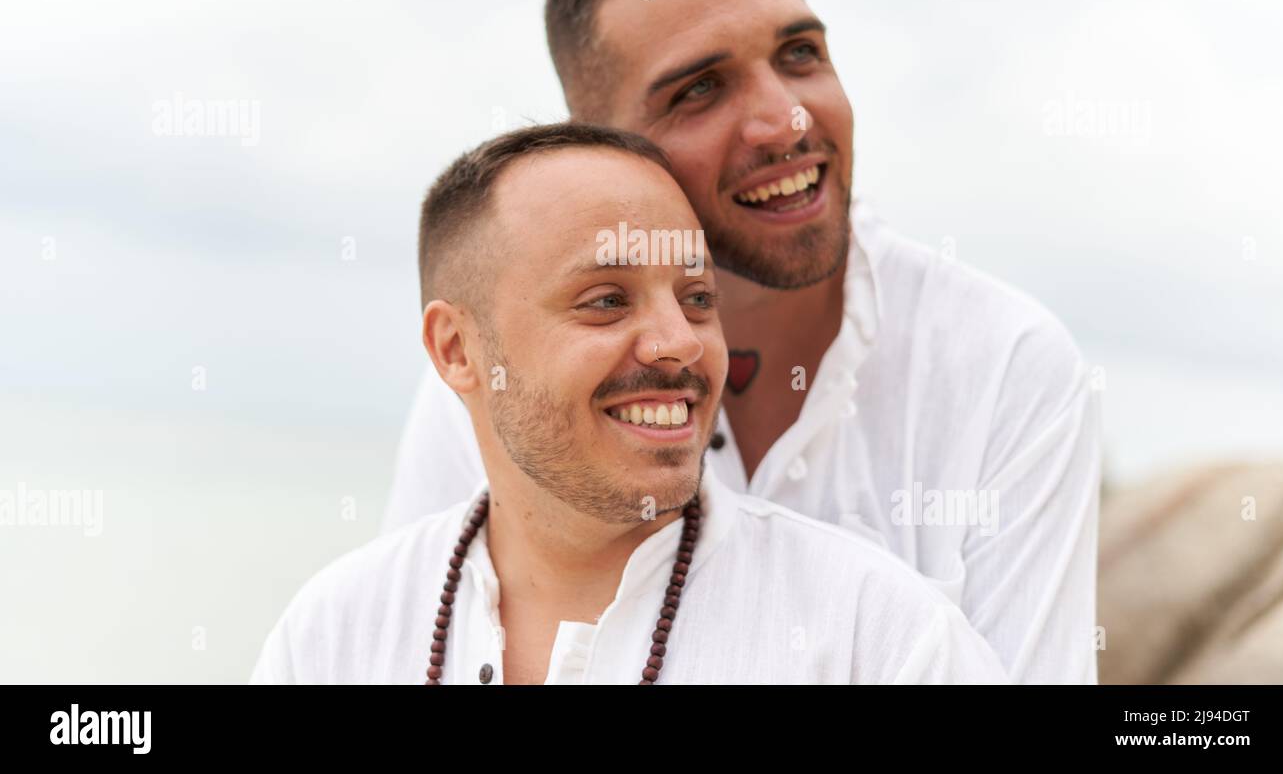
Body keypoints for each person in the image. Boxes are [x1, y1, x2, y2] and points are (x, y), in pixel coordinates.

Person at [384, 0, 1103, 683]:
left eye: (799, 54)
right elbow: (427, 645)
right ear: (604, 148)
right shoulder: (502, 385)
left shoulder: (1004, 367)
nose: (786, 120)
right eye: (700, 90)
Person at [251, 123, 1007, 684]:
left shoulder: (875, 639)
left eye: (698, 297)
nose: (680, 343)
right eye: (607, 301)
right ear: (456, 349)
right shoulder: (334, 636)